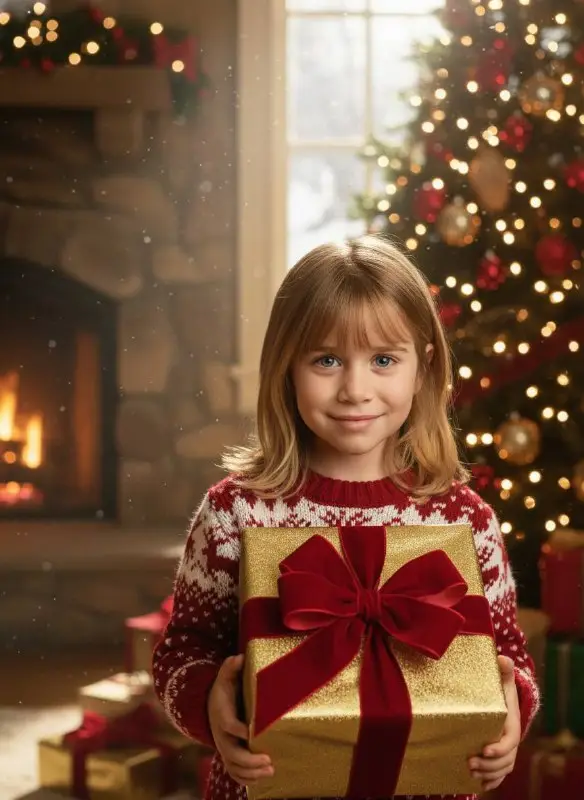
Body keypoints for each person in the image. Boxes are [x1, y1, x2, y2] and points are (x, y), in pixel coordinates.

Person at [152, 236, 540, 800]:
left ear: (423, 366)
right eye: (327, 360)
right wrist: (208, 704)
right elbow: (181, 652)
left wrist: (511, 714)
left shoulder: (464, 518)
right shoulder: (237, 513)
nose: (355, 390)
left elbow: (507, 655)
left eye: (384, 360)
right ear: (286, 365)